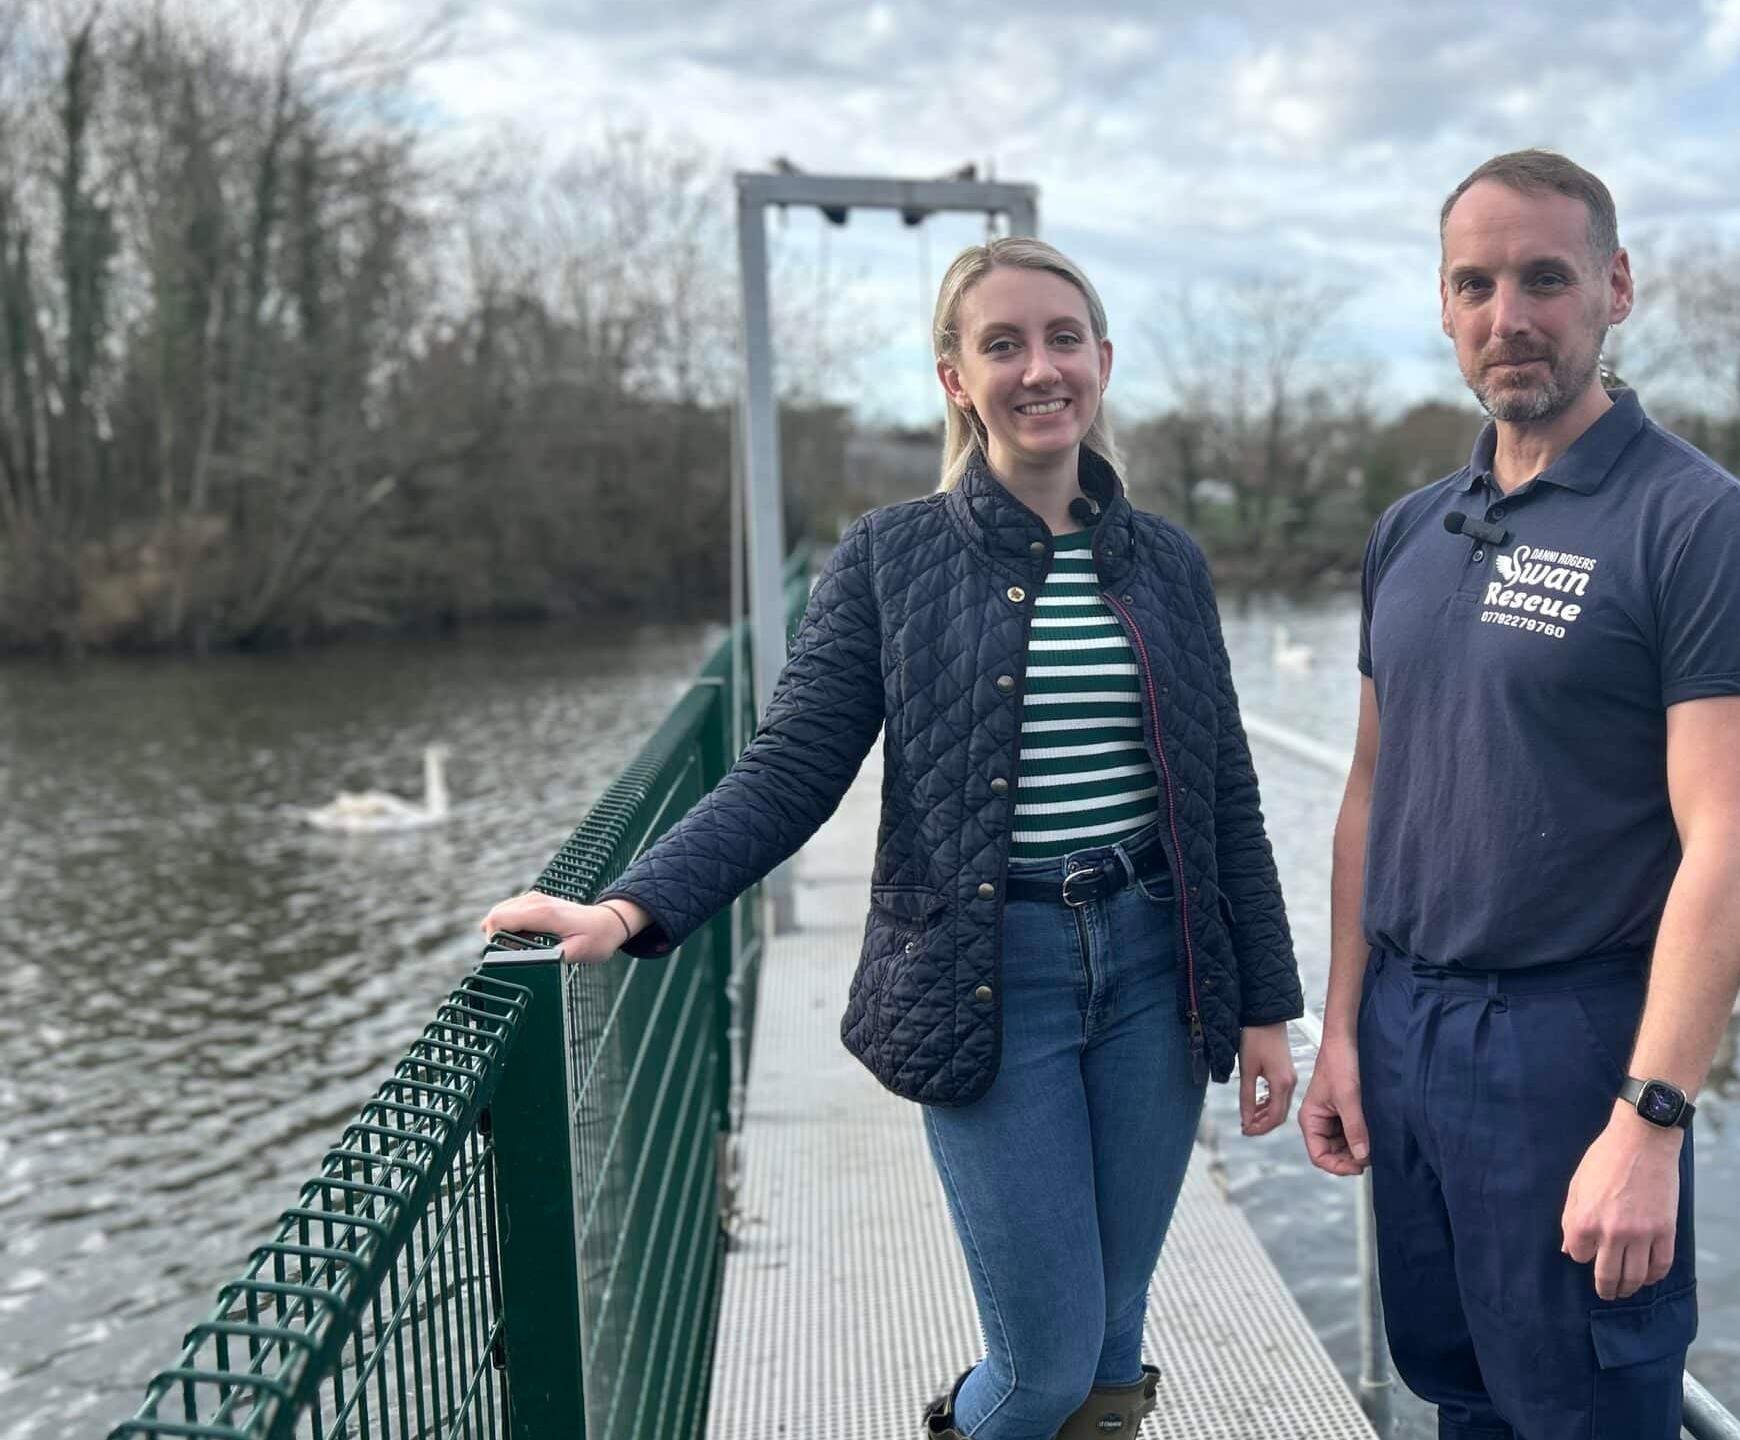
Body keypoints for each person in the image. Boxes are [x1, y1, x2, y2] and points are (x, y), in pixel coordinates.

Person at [481, 236, 1303, 1440]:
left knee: (1113, 1336)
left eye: (1062, 339)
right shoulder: (889, 557)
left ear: (1103, 361)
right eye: (1003, 344)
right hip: (987, 983)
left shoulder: (1165, 561)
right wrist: (629, 906)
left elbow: (1224, 791)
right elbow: (790, 772)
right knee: (1044, 1368)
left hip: (1152, 977)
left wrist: (1264, 1004)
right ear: (954, 379)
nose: (1039, 368)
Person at [1296, 149, 1740, 1438]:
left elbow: (1732, 843)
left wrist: (1652, 1117)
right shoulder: (1412, 529)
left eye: (1544, 278)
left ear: (1615, 288)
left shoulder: (1695, 525)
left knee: (1582, 1410)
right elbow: (1370, 791)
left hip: (1568, 1047)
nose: (1506, 316)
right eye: (1474, 283)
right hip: (1405, 1027)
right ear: (1444, 302)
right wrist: (1343, 1031)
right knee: (1455, 1392)